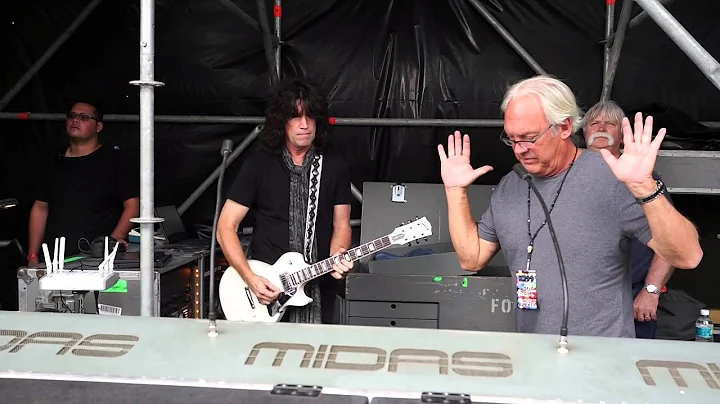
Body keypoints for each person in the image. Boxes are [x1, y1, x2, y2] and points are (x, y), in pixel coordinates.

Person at [438, 75, 702, 338]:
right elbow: (471, 257)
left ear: (564, 127)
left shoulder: (610, 178)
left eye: (529, 137)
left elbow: (687, 256)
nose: (520, 149)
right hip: (535, 354)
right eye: (512, 139)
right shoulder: (511, 185)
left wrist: (646, 188)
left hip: (604, 360)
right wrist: (455, 191)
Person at [217, 78, 354, 324]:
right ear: (282, 122)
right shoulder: (259, 164)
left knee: (316, 357)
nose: (304, 125)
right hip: (265, 288)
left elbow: (341, 225)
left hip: (317, 289)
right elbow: (226, 226)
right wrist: (249, 277)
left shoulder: (335, 165)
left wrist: (338, 257)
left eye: (310, 117)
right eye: (295, 117)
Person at [582, 100, 675, 339]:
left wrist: (651, 291)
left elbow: (670, 241)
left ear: (623, 136)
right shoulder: (565, 176)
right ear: (584, 133)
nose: (601, 127)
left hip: (632, 298)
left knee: (628, 373)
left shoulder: (643, 179)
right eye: (594, 123)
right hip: (579, 299)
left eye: (610, 123)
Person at [27, 102, 139, 264]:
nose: (75, 120)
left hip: (99, 260)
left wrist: (114, 240)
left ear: (98, 126)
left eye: (84, 117)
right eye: (72, 116)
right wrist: (33, 255)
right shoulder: (53, 162)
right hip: (54, 259)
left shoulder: (115, 160)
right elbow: (40, 208)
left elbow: (133, 205)